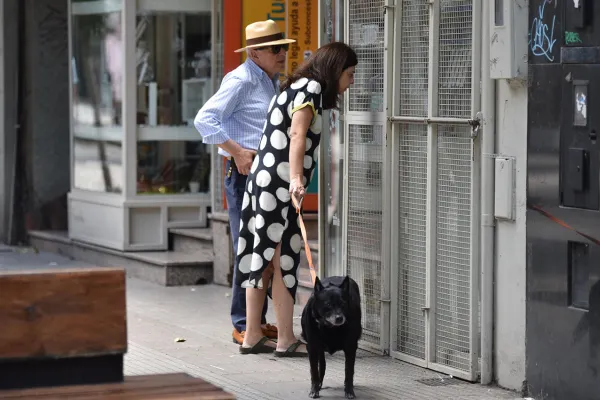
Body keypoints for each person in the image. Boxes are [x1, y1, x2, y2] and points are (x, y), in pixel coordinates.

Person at [236, 42, 357, 355]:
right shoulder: (312, 88)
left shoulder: (293, 85)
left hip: (262, 183)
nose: (351, 82)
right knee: (283, 259)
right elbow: (297, 135)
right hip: (278, 185)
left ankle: (252, 335)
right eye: (349, 73)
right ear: (336, 70)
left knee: (260, 259)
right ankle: (286, 338)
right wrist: (296, 179)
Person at [194, 20, 295, 345]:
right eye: (276, 49)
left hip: (266, 178)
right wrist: (237, 152)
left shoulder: (269, 79)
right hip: (243, 177)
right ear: (254, 51)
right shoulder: (241, 79)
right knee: (248, 248)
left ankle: (256, 321)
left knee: (264, 248)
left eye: (285, 47)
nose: (282, 54)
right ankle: (242, 323)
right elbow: (203, 120)